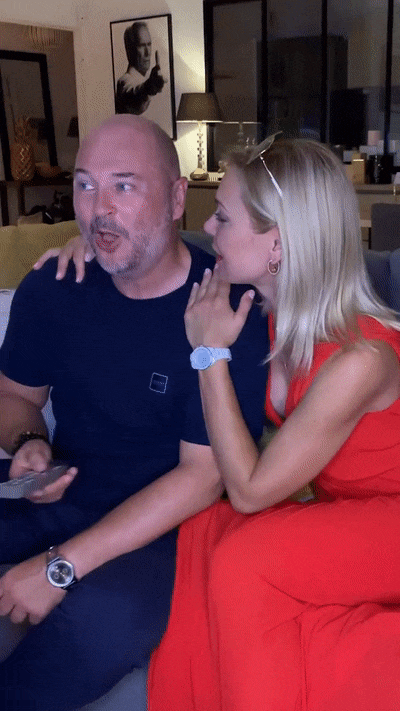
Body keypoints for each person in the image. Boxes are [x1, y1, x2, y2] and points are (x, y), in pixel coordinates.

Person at [0, 114, 267, 711]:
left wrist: (59, 568)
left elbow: (203, 477)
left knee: (105, 621)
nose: (98, 209)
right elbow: (14, 396)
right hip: (62, 489)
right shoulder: (55, 286)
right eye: (86, 185)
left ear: (176, 199)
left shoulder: (225, 311)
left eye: (124, 185)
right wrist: (28, 442)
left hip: (171, 525)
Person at [146, 137, 400, 710]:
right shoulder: (261, 311)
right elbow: (164, 263)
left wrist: (209, 356)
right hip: (350, 512)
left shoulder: (362, 359)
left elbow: (251, 491)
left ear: (278, 243)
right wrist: (78, 249)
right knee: (204, 529)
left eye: (223, 216)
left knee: (246, 560)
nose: (207, 227)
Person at [115, 22, 166, 115]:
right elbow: (134, 96)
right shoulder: (124, 82)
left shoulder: (147, 78)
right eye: (141, 46)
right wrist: (148, 87)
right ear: (130, 50)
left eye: (149, 44)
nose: (148, 52)